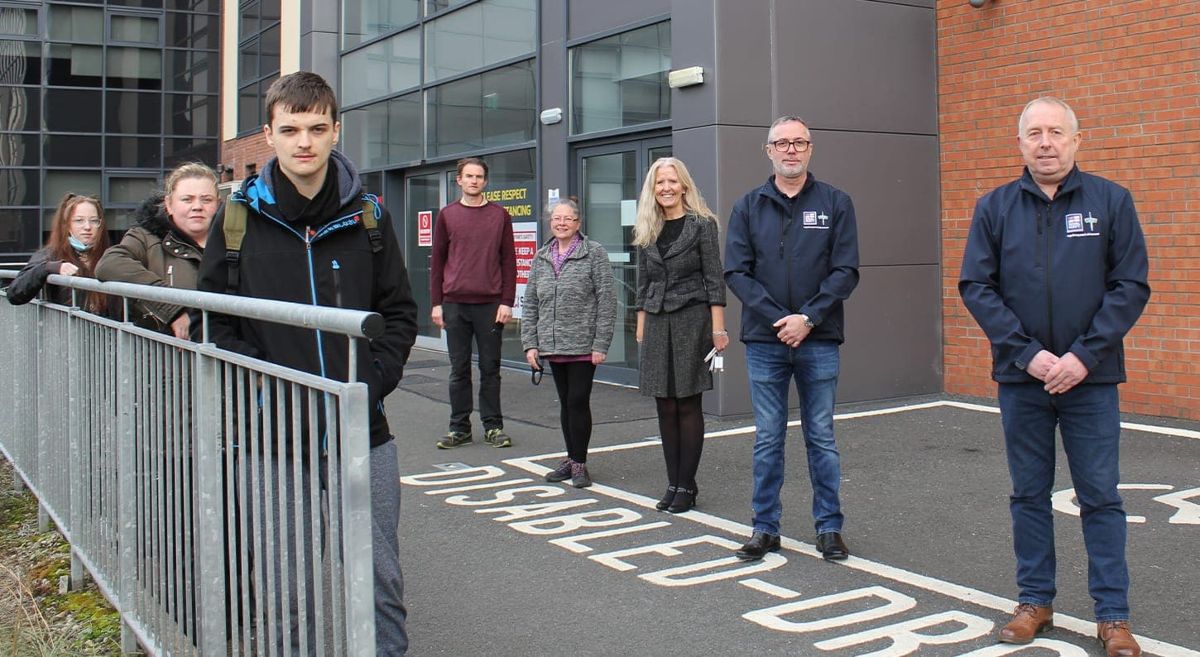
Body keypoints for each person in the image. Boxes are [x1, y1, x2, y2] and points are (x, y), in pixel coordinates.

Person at [193, 71, 417, 655]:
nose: (304, 142)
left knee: (379, 580)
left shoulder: (370, 217)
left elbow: (398, 311)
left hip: (363, 433)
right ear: (268, 134)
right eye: (290, 129)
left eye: (318, 128)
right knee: (286, 592)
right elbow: (215, 324)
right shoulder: (237, 218)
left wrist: (373, 382)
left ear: (336, 131)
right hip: (273, 441)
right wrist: (272, 393)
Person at [959, 97, 1149, 657]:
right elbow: (977, 287)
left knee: (1100, 496)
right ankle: (1035, 601)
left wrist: (1084, 356)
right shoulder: (994, 207)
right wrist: (1028, 355)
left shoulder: (1111, 201)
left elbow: (1130, 285)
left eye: (1056, 133)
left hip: (1090, 379)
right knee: (1029, 494)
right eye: (1034, 133)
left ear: (1076, 140)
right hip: (1025, 381)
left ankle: (1112, 616)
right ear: (1019, 143)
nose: (1045, 142)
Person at [724, 115, 860, 563]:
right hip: (765, 342)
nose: (790, 150)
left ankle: (829, 528)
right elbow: (736, 273)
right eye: (781, 143)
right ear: (768, 151)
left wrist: (809, 318)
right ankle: (765, 528)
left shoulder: (836, 203)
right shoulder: (748, 206)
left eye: (799, 142)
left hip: (819, 339)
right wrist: (781, 319)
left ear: (810, 149)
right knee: (768, 438)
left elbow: (845, 270)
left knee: (820, 435)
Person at [634, 157, 728, 515]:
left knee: (687, 402)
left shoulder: (702, 225)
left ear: (684, 185)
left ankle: (687, 484)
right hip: (657, 321)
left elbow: (714, 279)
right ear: (653, 189)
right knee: (664, 403)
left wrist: (718, 328)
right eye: (660, 183)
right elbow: (644, 283)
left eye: (672, 181)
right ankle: (673, 481)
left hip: (692, 319)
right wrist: (641, 324)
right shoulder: (647, 227)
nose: (666, 188)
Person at [521, 198, 616, 489]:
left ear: (578, 223)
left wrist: (601, 344)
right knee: (565, 403)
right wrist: (530, 344)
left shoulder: (594, 253)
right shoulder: (542, 256)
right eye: (556, 218)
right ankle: (571, 457)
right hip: (551, 344)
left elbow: (607, 301)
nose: (561, 223)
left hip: (583, 344)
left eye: (567, 219)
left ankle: (579, 463)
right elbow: (531, 303)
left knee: (577, 400)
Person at [430, 157, 517, 449]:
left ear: (485, 181)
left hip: (490, 305)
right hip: (454, 304)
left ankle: (493, 427)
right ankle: (459, 428)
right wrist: (436, 303)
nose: (474, 181)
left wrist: (507, 301)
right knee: (459, 369)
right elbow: (438, 262)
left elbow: (509, 262)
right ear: (459, 180)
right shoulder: (447, 215)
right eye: (469, 176)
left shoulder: (499, 216)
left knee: (491, 368)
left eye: (479, 177)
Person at [96, 162, 219, 338]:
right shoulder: (145, 237)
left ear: (218, 203)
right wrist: (171, 308)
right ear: (168, 204)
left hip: (227, 359)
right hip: (164, 358)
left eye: (206, 199)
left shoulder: (234, 243)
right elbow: (110, 264)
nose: (197, 206)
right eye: (187, 199)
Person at [6, 192, 112, 316]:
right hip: (64, 331)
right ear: (67, 225)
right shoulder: (51, 254)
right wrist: (49, 267)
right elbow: (15, 294)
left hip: (103, 333)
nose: (87, 227)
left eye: (94, 221)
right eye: (79, 220)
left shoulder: (109, 255)